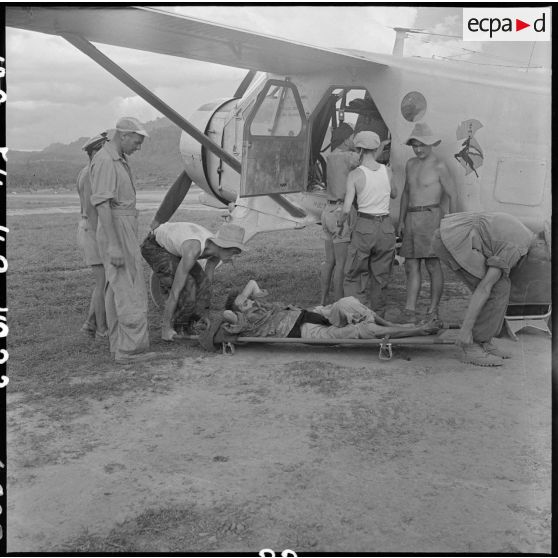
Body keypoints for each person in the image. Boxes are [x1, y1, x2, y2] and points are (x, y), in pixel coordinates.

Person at [431, 211, 548, 367]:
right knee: (495, 289)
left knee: (503, 286)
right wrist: (465, 330)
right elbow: (483, 288)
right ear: (541, 243)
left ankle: (484, 340)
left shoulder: (525, 237)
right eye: (546, 257)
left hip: (456, 236)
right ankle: (470, 345)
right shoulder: (516, 246)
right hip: (452, 240)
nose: (542, 261)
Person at [90, 116, 156, 364]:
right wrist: (115, 244)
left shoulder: (117, 159)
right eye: (137, 142)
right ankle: (130, 350)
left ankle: (120, 346)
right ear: (124, 135)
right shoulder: (106, 160)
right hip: (116, 227)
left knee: (118, 287)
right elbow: (103, 206)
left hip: (121, 224)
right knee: (130, 288)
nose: (138, 148)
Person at [219, 280, 440, 341]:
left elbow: (251, 282)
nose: (250, 302)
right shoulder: (242, 322)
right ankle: (419, 330)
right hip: (307, 331)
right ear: (238, 312)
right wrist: (238, 306)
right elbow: (225, 314)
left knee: (347, 302)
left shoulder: (257, 306)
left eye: (248, 301)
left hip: (311, 313)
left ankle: (394, 326)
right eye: (245, 303)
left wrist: (249, 298)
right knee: (362, 331)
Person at [141, 221, 247, 341]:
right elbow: (176, 291)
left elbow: (206, 283)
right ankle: (175, 327)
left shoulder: (216, 251)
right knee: (188, 285)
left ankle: (192, 319)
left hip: (175, 248)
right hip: (154, 246)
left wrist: (203, 312)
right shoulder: (194, 249)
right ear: (223, 245)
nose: (233, 258)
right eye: (233, 252)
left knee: (201, 282)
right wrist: (165, 328)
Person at [395, 123, 456, 324]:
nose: (418, 149)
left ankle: (433, 309)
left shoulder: (440, 166)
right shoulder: (410, 164)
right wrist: (402, 220)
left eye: (422, 145)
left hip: (432, 218)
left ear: (430, 144)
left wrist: (452, 225)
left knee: (432, 265)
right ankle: (409, 309)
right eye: (414, 145)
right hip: (412, 219)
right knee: (411, 265)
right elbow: (405, 193)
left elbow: (452, 195)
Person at [338, 131, 398, 317]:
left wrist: (341, 224)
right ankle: (378, 316)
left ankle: (359, 316)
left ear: (360, 149)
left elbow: (347, 208)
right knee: (381, 276)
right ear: (376, 148)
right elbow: (394, 193)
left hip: (365, 225)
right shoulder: (387, 171)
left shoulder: (355, 174)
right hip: (386, 228)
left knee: (355, 274)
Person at [319, 122, 359, 305]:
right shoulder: (349, 157)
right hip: (340, 211)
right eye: (352, 137)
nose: (354, 140)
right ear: (345, 139)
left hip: (327, 211)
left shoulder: (332, 156)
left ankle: (323, 299)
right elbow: (370, 156)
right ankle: (338, 302)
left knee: (330, 262)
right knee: (342, 264)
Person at [76, 132, 108, 340]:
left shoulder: (87, 171)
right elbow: (90, 208)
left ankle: (90, 324)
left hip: (90, 228)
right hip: (92, 229)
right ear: (95, 151)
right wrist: (102, 238)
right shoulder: (90, 173)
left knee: (103, 281)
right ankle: (101, 329)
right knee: (103, 282)